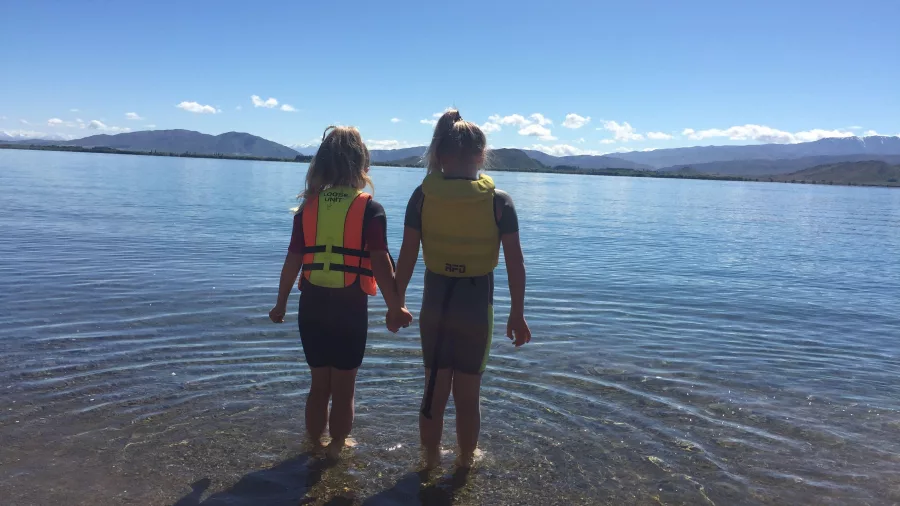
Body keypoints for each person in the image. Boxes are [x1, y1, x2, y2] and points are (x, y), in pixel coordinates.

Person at [393, 110, 531, 469]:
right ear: (481, 155)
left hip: (436, 305)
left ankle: (428, 463)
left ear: (439, 155)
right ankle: (466, 464)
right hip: (476, 307)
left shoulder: (421, 197)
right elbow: (516, 263)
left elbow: (406, 257)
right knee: (468, 397)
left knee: (433, 392)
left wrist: (396, 303)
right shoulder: (499, 202)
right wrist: (517, 313)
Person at [269, 126, 412, 459]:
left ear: (321, 164)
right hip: (349, 308)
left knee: (319, 386)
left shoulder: (307, 208)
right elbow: (380, 263)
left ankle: (313, 447)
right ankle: (337, 448)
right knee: (344, 389)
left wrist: (280, 303)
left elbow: (292, 260)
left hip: (312, 305)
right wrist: (395, 307)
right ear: (361, 164)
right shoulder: (370, 209)